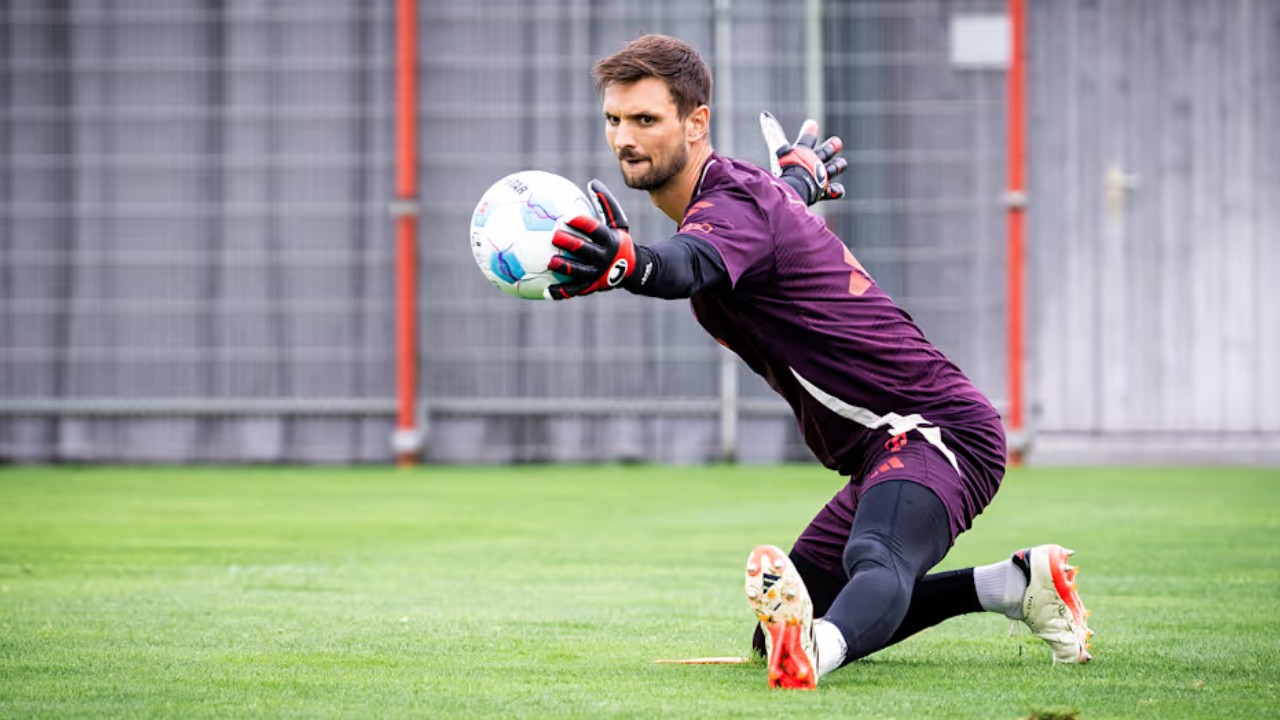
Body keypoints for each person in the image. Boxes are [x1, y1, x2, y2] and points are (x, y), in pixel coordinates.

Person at [545, 33, 1093, 689]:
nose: (625, 138)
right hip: (879, 445)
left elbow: (687, 265)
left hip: (936, 428)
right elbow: (757, 218)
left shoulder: (732, 202)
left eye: (645, 119)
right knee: (775, 632)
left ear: (696, 124)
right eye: (614, 119)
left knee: (872, 560)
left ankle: (813, 658)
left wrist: (630, 264)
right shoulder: (742, 200)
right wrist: (800, 178)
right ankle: (1016, 585)